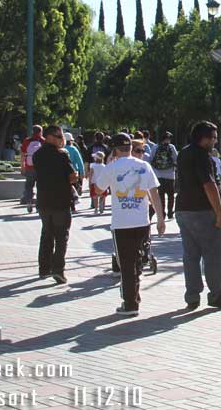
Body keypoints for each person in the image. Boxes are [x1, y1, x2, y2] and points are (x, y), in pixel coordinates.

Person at [92, 132, 166, 316]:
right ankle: (134, 296)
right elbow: (154, 193)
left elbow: (99, 189)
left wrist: (109, 167)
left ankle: (130, 302)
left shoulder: (111, 167)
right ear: (131, 148)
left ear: (115, 150)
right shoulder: (144, 165)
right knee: (138, 261)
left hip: (121, 223)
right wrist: (161, 218)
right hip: (142, 222)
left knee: (126, 263)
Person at [176, 120, 221, 310]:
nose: (216, 142)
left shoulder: (183, 153)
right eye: (214, 138)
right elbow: (209, 185)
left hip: (183, 210)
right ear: (204, 138)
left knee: (191, 255)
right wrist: (220, 214)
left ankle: (192, 296)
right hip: (202, 211)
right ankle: (217, 294)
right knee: (214, 254)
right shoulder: (203, 157)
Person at [33, 125, 77, 284]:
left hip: (44, 200)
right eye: (59, 136)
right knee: (61, 236)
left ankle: (44, 268)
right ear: (49, 137)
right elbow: (72, 176)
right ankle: (58, 270)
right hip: (61, 201)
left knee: (46, 233)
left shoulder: (37, 155)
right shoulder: (62, 155)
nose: (62, 140)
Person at [150, 131, 178, 219]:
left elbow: (151, 159)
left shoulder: (155, 147)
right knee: (171, 196)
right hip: (170, 175)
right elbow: (176, 159)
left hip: (158, 175)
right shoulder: (171, 147)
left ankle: (162, 213)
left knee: (161, 195)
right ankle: (170, 212)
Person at [20, 125, 45, 213]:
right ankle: (39, 205)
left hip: (29, 166)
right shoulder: (43, 141)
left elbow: (23, 154)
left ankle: (29, 201)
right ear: (41, 132)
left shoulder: (27, 141)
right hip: (41, 168)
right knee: (41, 186)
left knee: (29, 185)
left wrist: (22, 166)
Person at [64, 132, 86, 213]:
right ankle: (73, 206)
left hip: (63, 172)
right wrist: (82, 172)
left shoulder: (60, 149)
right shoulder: (73, 149)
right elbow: (80, 161)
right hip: (73, 172)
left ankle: (66, 205)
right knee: (73, 189)